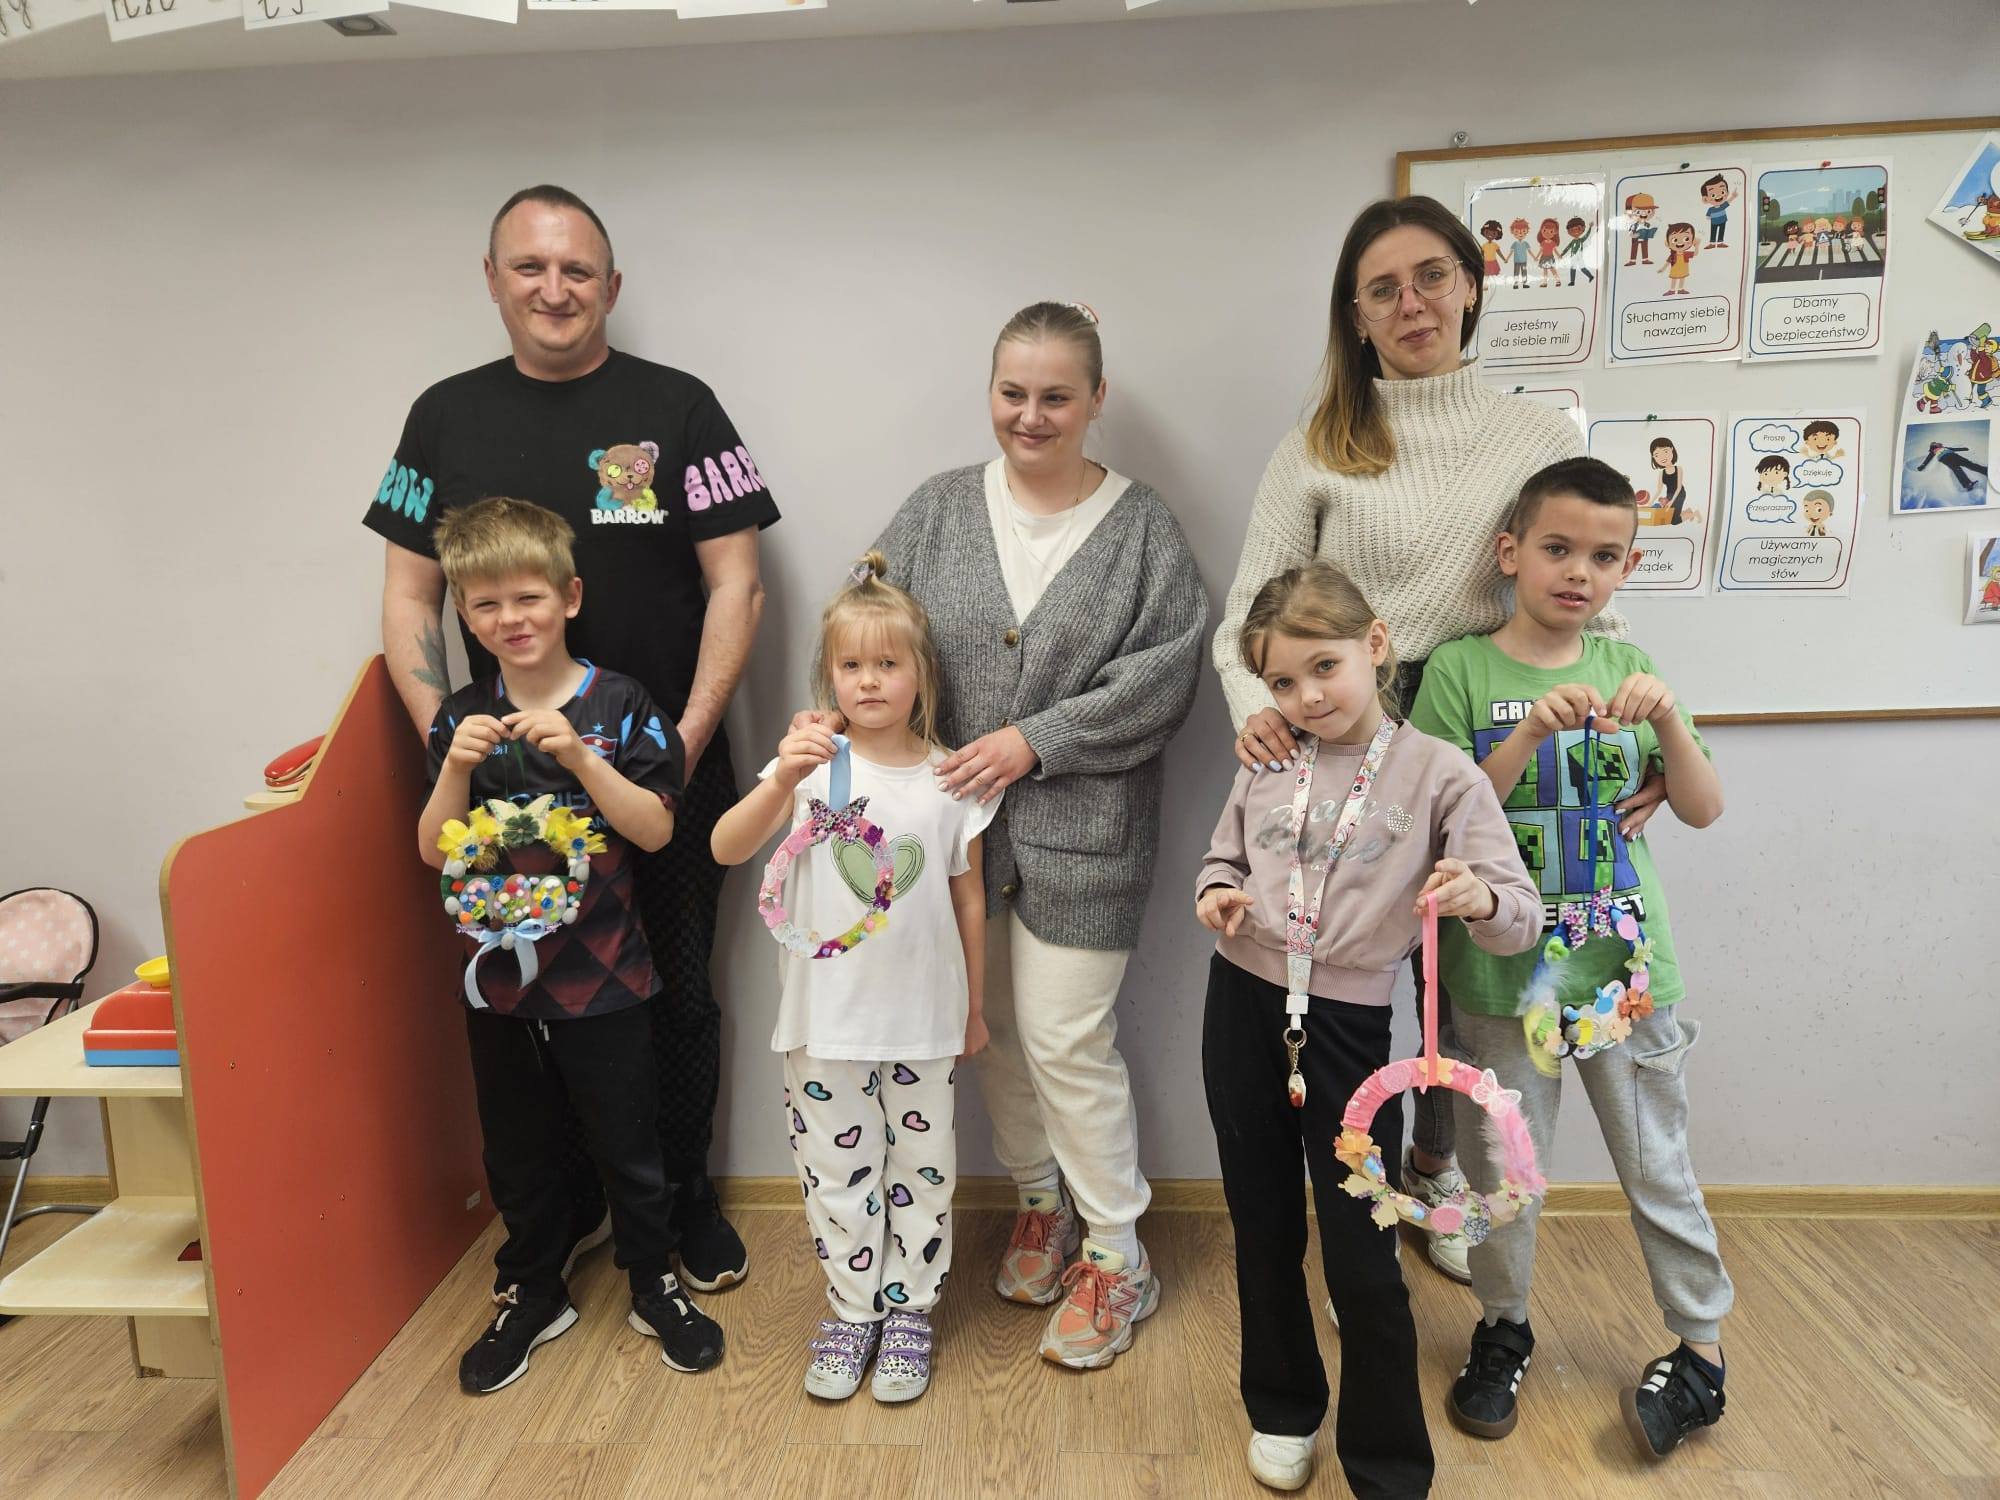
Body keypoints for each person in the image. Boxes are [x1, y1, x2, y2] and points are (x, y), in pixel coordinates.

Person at [1211, 194, 1656, 1284]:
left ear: (1470, 285)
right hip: (1337, 731)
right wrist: (1259, 711)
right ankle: (1355, 1213)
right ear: (1354, 315)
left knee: (1462, 970)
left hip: (1482, 722)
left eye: (1430, 277)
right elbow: (1242, 621)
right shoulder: (1316, 446)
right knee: (1346, 975)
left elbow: (1583, 593)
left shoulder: (1536, 437)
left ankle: (1436, 1174)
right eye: (1382, 289)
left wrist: (1637, 747)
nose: (1410, 303)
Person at [367, 184, 776, 1292]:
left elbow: (737, 583)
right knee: (526, 994)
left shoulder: (680, 407)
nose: (555, 289)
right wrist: (452, 733)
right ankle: (570, 1213)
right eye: (530, 267)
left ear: (611, 286)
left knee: (674, 989)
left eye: (578, 270)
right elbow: (408, 598)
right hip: (500, 782)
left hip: (656, 765)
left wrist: (681, 742)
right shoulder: (442, 417)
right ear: (492, 279)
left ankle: (680, 1201)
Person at [856, 301, 1207, 1370]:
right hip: (955, 841)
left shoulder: (1142, 530)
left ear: (1096, 399)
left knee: (1064, 1038)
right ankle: (1040, 1203)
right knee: (994, 1030)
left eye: (1057, 396)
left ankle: (1117, 1255)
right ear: (991, 392)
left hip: (1086, 837)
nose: (1032, 415)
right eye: (1013, 393)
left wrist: (1033, 740)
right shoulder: (935, 510)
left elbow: (1162, 679)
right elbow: (870, 632)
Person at [1409, 457, 1734, 1462]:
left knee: (1657, 1163)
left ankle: (1701, 1351)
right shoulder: (1459, 671)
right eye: (1556, 548)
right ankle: (1502, 1328)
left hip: (1624, 977)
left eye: (1603, 556)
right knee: (1501, 1169)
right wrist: (1520, 743)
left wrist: (1666, 721)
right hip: (1500, 980)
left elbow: (1701, 807)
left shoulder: (1628, 664)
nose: (1577, 572)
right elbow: (1430, 817)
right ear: (1509, 552)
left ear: (1626, 568)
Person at [1197, 561, 1540, 1496]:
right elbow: (1223, 858)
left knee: (1362, 1250)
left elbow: (1519, 915)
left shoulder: (1441, 774)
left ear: (1376, 645)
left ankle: (1386, 1463)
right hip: (1239, 1004)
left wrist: (1476, 897)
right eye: (1282, 681)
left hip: (1348, 1031)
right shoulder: (1269, 757)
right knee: (1261, 1223)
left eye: (1325, 666)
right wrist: (1218, 892)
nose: (1307, 697)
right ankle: (1281, 1408)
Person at [417, 498, 724, 1392]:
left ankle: (653, 1280)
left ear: (570, 598)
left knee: (629, 1140)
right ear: (464, 614)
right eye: (486, 605)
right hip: (498, 985)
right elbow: (433, 850)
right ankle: (532, 1288)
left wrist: (585, 760)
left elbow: (656, 831)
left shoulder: (621, 705)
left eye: (528, 599)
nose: (510, 619)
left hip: (606, 976)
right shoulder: (462, 718)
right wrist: (455, 766)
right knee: (516, 1147)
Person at [713, 554, 993, 1405]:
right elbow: (726, 847)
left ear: (920, 675)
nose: (868, 680)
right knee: (837, 1177)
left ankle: (909, 1311)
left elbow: (969, 899)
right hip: (825, 1023)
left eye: (888, 663)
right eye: (851, 664)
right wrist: (784, 777)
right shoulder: (809, 767)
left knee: (924, 1170)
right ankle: (852, 1309)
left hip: (924, 1022)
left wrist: (975, 1009)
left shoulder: (951, 780)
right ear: (829, 675)